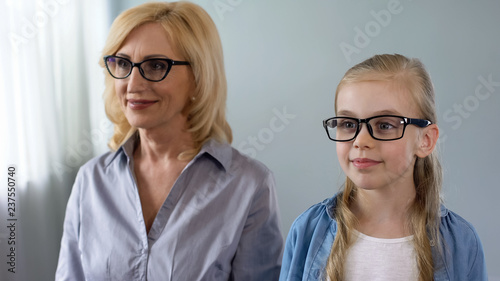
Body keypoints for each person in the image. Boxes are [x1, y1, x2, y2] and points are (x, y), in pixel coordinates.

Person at [55, 2, 283, 280]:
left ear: (199, 78)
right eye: (123, 63)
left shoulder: (249, 185)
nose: (133, 84)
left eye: (155, 66)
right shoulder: (90, 181)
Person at [279, 54, 487, 281]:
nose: (361, 141)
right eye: (348, 124)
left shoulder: (461, 242)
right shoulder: (307, 231)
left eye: (385, 125)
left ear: (425, 140)